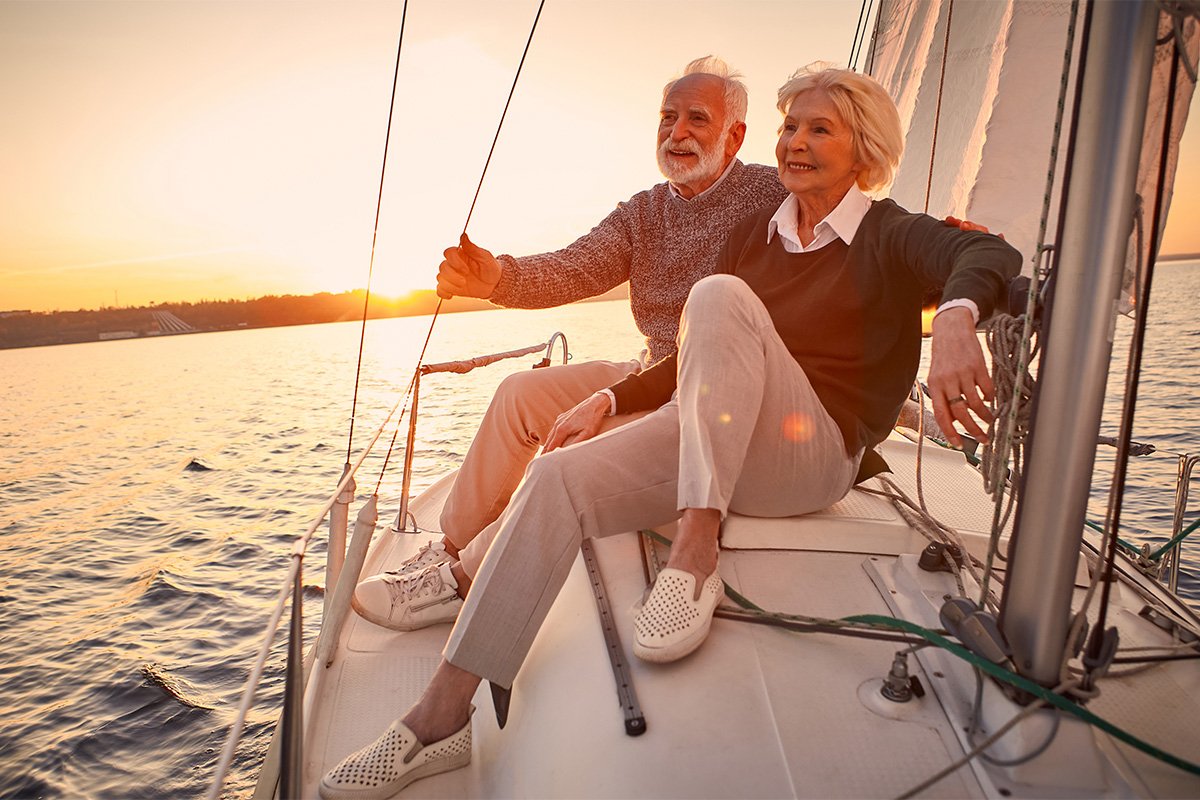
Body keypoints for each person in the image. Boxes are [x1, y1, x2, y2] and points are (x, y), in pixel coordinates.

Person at [319, 64, 1021, 799]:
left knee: (716, 295)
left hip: (813, 455)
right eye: (792, 127)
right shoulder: (757, 232)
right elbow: (693, 351)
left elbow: (988, 256)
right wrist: (611, 398)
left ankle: (695, 550)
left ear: (863, 147)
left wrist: (954, 319)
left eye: (821, 129)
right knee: (557, 476)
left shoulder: (889, 232)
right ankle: (439, 720)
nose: (797, 142)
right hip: (724, 430)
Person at [350, 56, 788, 631]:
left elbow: (851, 222)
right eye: (667, 116)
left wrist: (945, 263)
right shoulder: (645, 211)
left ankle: (471, 578)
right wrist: (496, 279)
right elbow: (573, 268)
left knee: (579, 442)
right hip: (650, 370)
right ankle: (448, 551)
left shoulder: (773, 192)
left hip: (712, 394)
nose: (676, 132)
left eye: (696, 119)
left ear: (734, 135)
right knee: (520, 395)